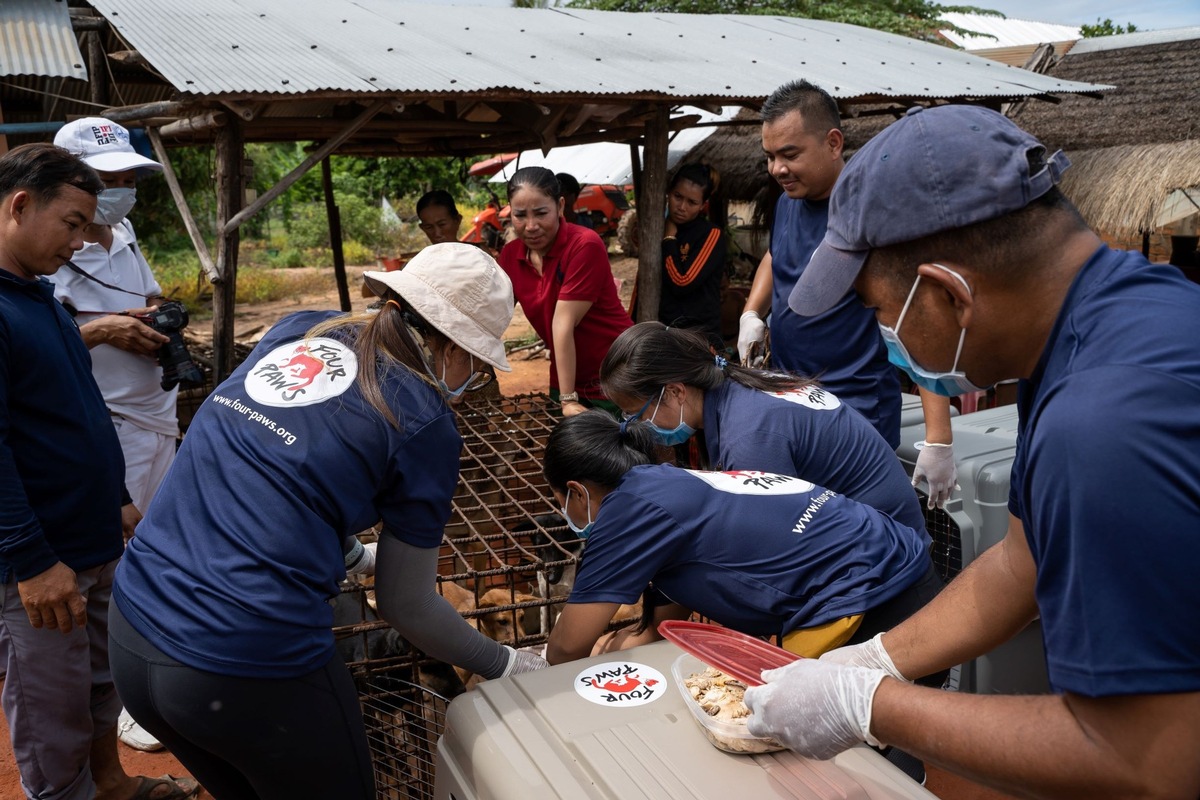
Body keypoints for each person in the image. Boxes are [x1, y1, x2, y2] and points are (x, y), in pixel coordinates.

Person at [744, 105, 1200, 798]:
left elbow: (1152, 760)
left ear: (951, 295)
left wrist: (865, 707)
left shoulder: (1101, 428)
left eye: (877, 312)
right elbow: (1023, 557)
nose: (882, 334)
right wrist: (874, 660)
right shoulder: (1128, 311)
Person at [109, 243, 547, 800]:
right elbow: (407, 606)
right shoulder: (423, 420)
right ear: (452, 345)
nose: (474, 378)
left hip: (133, 625)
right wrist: (507, 663)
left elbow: (277, 460)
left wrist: (349, 555)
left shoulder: (303, 328)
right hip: (242, 661)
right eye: (478, 362)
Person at [0, 143, 199, 800]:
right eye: (73, 222)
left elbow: (78, 409)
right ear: (20, 207)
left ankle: (111, 786)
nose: (81, 239)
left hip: (89, 540)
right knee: (50, 718)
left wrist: (114, 496)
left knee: (96, 691)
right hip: (43, 561)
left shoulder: (40, 299)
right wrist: (31, 562)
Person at [542, 411, 942, 664]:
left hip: (875, 610)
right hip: (909, 575)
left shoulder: (626, 510)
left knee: (842, 758)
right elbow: (659, 628)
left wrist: (543, 660)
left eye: (561, 501)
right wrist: (611, 646)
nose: (567, 513)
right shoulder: (667, 485)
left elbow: (567, 647)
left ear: (577, 492)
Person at [737, 80, 956, 508]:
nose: (777, 169)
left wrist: (940, 438)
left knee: (849, 526)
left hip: (855, 407)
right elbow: (774, 254)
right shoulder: (788, 201)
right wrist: (751, 312)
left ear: (833, 142)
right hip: (792, 392)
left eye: (790, 154)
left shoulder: (872, 211)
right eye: (770, 157)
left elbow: (920, 321)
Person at [50, 117, 179, 755]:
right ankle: (128, 698)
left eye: (129, 177)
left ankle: (153, 675)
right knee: (121, 559)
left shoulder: (123, 230)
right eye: (109, 179)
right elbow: (37, 348)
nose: (122, 188)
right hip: (108, 423)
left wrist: (154, 318)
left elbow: (147, 293)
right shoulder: (50, 247)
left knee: (154, 546)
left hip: (156, 414)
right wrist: (102, 331)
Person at [601, 322, 925, 534]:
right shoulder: (740, 385)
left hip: (887, 552)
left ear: (675, 391)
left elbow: (778, 538)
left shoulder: (748, 436)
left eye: (638, 414)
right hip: (881, 526)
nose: (638, 426)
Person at [498, 167, 632, 416]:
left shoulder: (584, 245)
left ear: (560, 206)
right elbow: (490, 319)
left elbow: (563, 322)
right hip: (565, 376)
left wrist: (569, 400)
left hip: (617, 375)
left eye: (540, 213)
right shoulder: (510, 256)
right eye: (520, 215)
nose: (530, 226)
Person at [658, 163, 727, 349]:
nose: (681, 207)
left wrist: (670, 239)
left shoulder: (711, 234)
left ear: (703, 206)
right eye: (677, 197)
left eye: (692, 202)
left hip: (699, 339)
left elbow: (683, 281)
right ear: (668, 192)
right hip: (665, 332)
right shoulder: (657, 228)